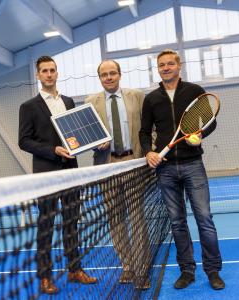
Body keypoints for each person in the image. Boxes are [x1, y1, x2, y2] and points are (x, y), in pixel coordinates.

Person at [139, 49, 225, 290]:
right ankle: (187, 270)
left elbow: (210, 122)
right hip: (165, 169)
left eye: (170, 64)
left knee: (204, 219)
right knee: (177, 222)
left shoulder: (194, 92)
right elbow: (144, 132)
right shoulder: (152, 98)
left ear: (179, 66)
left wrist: (199, 133)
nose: (166, 68)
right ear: (158, 69)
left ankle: (213, 270)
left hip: (192, 164)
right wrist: (148, 152)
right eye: (161, 65)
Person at [18, 56, 97, 294]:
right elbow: (24, 141)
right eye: (45, 71)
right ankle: (45, 277)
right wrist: (52, 150)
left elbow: (75, 134)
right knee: (46, 227)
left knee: (72, 223)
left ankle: (75, 270)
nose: (49, 74)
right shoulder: (29, 106)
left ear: (57, 73)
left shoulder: (69, 101)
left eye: (52, 70)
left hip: (71, 173)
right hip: (47, 175)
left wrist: (93, 142)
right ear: (38, 75)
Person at [85, 60, 151, 290]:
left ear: (120, 75)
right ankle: (128, 267)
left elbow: (147, 128)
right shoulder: (89, 102)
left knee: (137, 217)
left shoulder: (137, 96)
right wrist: (96, 145)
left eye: (113, 73)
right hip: (107, 166)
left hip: (133, 162)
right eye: (104, 74)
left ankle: (142, 270)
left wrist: (147, 156)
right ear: (100, 78)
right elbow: (87, 137)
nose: (109, 77)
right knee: (115, 219)